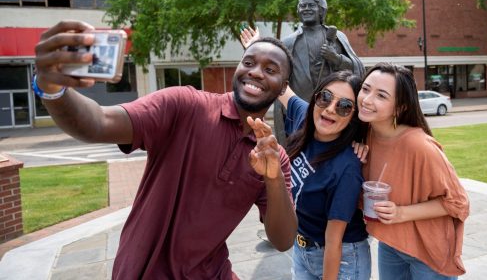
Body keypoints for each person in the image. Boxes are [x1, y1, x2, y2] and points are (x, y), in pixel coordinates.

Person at [34, 21, 298, 279]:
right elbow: (98, 122)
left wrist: (272, 178)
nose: (255, 72)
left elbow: (283, 239)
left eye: (270, 69)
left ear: (283, 87)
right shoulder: (184, 106)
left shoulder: (274, 157)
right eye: (248, 62)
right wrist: (52, 88)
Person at [357, 62, 470, 279]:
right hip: (391, 243)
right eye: (365, 89)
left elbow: (459, 203)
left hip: (429, 251)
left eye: (381, 95)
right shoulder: (365, 136)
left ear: (400, 107)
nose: (367, 99)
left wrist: (400, 213)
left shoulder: (420, 146)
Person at [276, 70, 371, 280]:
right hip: (302, 248)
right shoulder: (306, 121)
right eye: (325, 97)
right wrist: (257, 46)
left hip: (341, 257)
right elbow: (282, 89)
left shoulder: (347, 167)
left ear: (354, 117)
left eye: (344, 106)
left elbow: (334, 239)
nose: (329, 109)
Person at [241, 0, 365, 146]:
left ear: (322, 10)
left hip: (333, 113)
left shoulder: (337, 37)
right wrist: (256, 48)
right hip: (300, 115)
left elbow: (358, 70)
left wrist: (336, 58)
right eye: (303, 6)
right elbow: (274, 72)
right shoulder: (289, 42)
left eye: (311, 5)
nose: (306, 8)